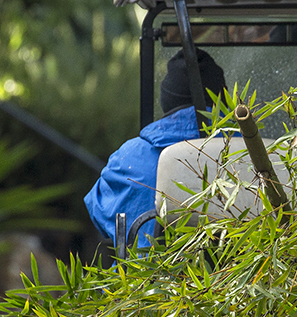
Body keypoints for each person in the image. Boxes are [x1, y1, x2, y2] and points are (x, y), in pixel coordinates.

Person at [84, 48, 227, 248]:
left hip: (143, 278)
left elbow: (100, 213)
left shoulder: (129, 158)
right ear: (225, 100)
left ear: (167, 101)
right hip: (238, 278)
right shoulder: (254, 156)